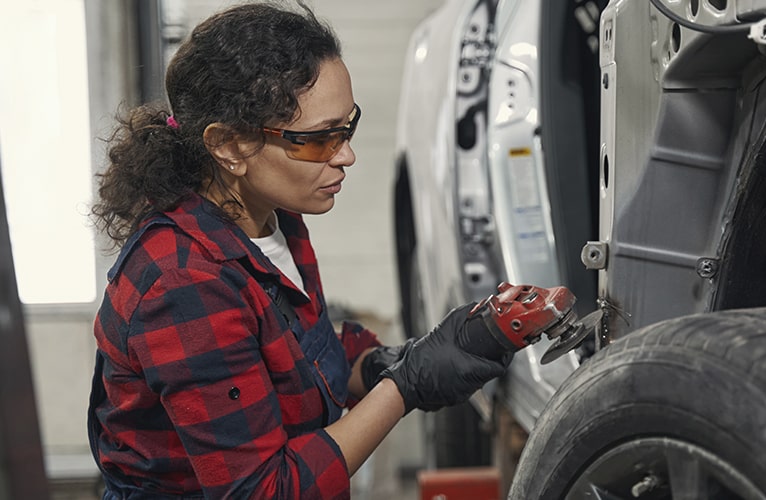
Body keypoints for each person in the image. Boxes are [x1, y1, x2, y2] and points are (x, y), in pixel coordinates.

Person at [87, 3, 523, 498]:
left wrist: (403, 360)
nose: (346, 154)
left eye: (348, 126)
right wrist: (405, 389)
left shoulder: (274, 218)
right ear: (229, 146)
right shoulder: (183, 282)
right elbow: (265, 490)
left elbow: (299, 363)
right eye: (318, 139)